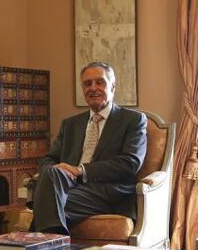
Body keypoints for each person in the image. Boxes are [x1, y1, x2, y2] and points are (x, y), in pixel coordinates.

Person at [32, 61, 147, 234]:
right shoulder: (70, 124)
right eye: (87, 84)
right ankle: (54, 245)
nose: (93, 88)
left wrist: (80, 170)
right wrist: (60, 170)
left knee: (46, 202)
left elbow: (130, 163)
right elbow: (48, 159)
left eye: (100, 82)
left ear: (113, 86)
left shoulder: (133, 120)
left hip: (109, 192)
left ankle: (47, 249)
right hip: (69, 186)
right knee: (50, 172)